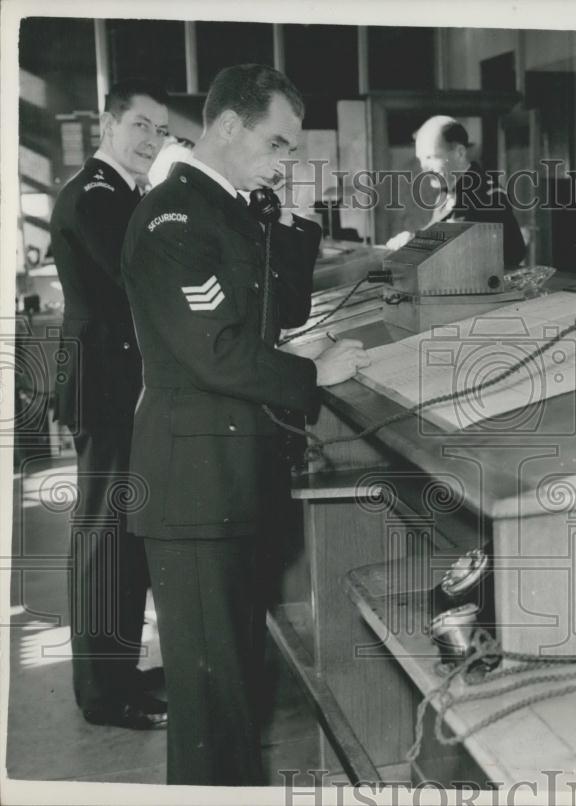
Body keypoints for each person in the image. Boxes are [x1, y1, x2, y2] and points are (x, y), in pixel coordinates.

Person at [121, 64, 368, 786]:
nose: (287, 158)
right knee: (210, 710)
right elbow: (218, 351)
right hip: (192, 488)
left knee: (236, 693)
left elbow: (280, 313)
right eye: (279, 142)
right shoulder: (173, 217)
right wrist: (313, 374)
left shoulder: (230, 208)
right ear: (227, 126)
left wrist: (287, 217)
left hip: (229, 481)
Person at [49, 78, 170, 731]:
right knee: (106, 538)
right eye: (140, 126)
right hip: (106, 385)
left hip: (121, 383)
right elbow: (143, 278)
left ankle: (117, 672)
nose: (152, 139)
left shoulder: (124, 193)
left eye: (161, 130)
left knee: (124, 536)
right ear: (109, 124)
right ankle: (103, 692)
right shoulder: (98, 196)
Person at [386, 115, 526, 268]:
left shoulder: (483, 193)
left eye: (431, 157)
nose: (424, 168)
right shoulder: (448, 189)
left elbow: (469, 250)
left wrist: (416, 243)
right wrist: (411, 240)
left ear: (459, 153)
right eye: (421, 159)